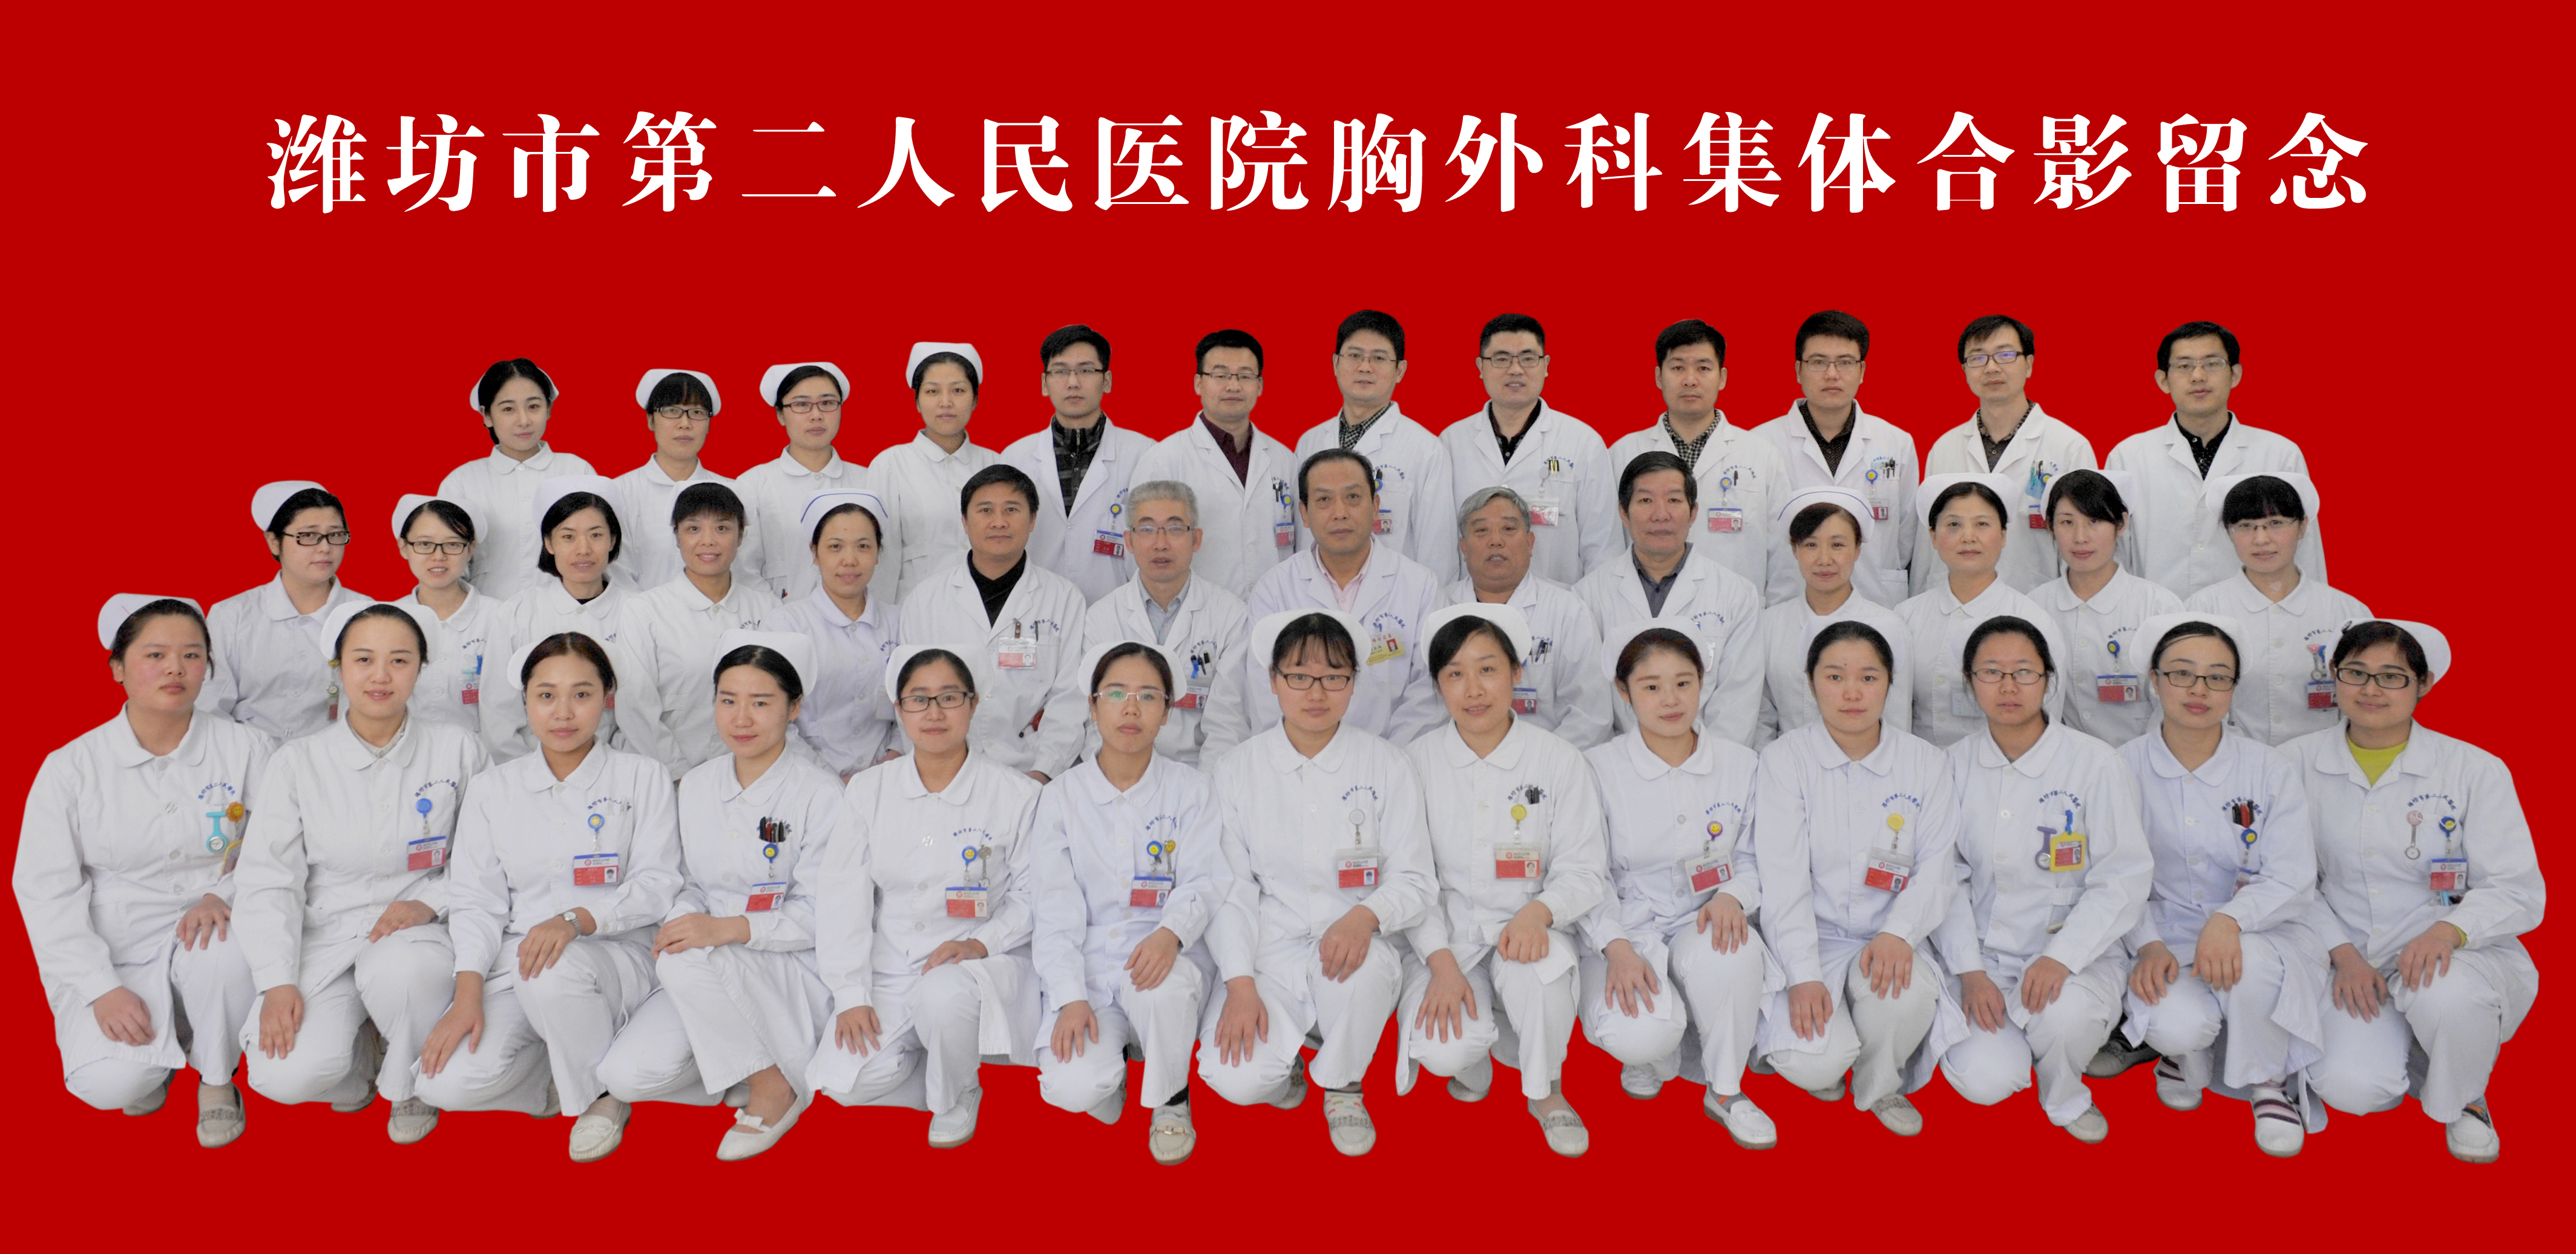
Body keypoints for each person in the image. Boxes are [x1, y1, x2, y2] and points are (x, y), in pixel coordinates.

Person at [416, 632, 683, 1162]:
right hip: (518, 963)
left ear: (607, 697)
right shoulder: (494, 789)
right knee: (441, 1085)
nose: (563, 712)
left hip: (613, 955)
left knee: (551, 969)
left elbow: (658, 883)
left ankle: (601, 1098)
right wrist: (466, 996)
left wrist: (578, 918)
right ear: (525, 701)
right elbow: (476, 900)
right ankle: (560, 1067)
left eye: (582, 694)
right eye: (546, 695)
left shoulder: (643, 777)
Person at [17, 596, 272, 1146]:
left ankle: (216, 1077)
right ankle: (162, 1046)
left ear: (208, 667)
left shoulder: (249, 748)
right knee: (110, 1084)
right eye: (155, 655)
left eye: (192, 655)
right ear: (118, 668)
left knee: (225, 952)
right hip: (118, 943)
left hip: (214, 922)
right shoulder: (71, 767)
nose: (176, 669)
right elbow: (45, 891)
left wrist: (224, 892)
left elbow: (279, 846)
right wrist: (100, 988)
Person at [234, 600, 485, 1144]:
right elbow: (268, 880)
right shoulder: (298, 762)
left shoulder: (458, 750)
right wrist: (277, 981)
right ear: (339, 667)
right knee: (284, 1074)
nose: (381, 676)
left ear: (421, 667)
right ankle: (359, 1056)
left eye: (399, 660)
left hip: (414, 935)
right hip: (324, 936)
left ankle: (409, 1080)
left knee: (406, 971)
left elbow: (485, 858)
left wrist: (433, 901)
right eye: (364, 660)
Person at [2293, 620, 2542, 1164]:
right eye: (2355, 673)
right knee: (2354, 1089)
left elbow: (2516, 887)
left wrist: (2448, 931)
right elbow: (2289, 881)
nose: (2370, 690)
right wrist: (2343, 955)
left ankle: (2465, 1098)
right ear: (2334, 676)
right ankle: (2428, 1049)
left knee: (2448, 998)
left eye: (2392, 676)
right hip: (2349, 954)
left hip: (2449, 952)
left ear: (2424, 684)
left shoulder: (2474, 770)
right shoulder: (2293, 764)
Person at [594, 631, 841, 1161]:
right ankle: (744, 1064)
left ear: (794, 707)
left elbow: (825, 912)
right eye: (728, 701)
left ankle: (774, 1085)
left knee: (682, 963)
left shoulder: (822, 793)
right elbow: (688, 882)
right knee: (624, 1076)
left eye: (761, 703)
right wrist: (686, 921)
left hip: (788, 962)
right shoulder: (698, 786)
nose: (741, 719)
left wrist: (728, 930)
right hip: (707, 961)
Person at [1197, 611, 1434, 1156]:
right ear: (1273, 680)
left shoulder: (1387, 765)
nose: (1317, 693)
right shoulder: (1236, 770)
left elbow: (1416, 879)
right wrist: (1239, 985)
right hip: (1270, 951)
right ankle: (1288, 1065)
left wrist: (1365, 916)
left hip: (1353, 946)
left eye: (1334, 677)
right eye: (1300, 676)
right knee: (1237, 1079)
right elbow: (1230, 890)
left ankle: (1343, 1085)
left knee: (1366, 973)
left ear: (1354, 682)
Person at [809, 646, 1044, 1149]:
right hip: (892, 965)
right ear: (900, 709)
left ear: (973, 704)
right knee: (843, 1086)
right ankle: (945, 1062)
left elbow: (1032, 896)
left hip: (978, 960)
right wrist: (851, 995)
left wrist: (981, 943)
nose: (934, 713)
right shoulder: (868, 790)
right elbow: (841, 897)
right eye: (919, 699)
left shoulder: (1016, 795)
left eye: (949, 697)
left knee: (944, 996)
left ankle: (958, 1092)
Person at [1396, 604, 1607, 1157]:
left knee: (1544, 979)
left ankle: (1546, 1092)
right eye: (1455, 674)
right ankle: (1474, 1055)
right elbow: (1409, 877)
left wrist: (1541, 912)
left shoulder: (1559, 760)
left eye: (1488, 669)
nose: (1473, 690)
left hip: (1528, 925)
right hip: (1448, 936)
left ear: (1516, 672)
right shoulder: (1414, 763)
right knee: (1445, 1049)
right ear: (1438, 685)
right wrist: (1440, 962)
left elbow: (1585, 868)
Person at [2115, 613, 2328, 1157]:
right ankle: (2180, 1056)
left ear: (2233, 688)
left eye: (2217, 677)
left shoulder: (2268, 768)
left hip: (2261, 929)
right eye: (2182, 674)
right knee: (2178, 1026)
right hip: (2162, 934)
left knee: (2251, 962)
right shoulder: (2119, 768)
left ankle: (2268, 1084)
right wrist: (2147, 944)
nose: (2199, 690)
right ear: (2155, 680)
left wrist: (2231, 918)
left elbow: (2293, 874)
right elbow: (2113, 875)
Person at [1931, 616, 2150, 1143]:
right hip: (1985, 958)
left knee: (2066, 1017)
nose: (2008, 686)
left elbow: (2122, 876)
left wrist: (2062, 957)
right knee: (1987, 1081)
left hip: (2074, 955)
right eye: (1991, 672)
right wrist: (1970, 971)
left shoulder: (2095, 763)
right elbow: (1944, 879)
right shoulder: (1950, 766)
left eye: (2024, 672)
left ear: (2049, 679)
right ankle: (2023, 1045)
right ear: (1970, 682)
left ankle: (2065, 1092)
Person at [1755, 620, 1964, 1137]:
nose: (1852, 693)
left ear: (1890, 684)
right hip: (1815, 934)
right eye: (1835, 677)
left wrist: (1899, 933)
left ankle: (1880, 1084)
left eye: (1869, 678)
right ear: (1811, 684)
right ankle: (1834, 1046)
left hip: (1889, 933)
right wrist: (1803, 974)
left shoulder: (1926, 763)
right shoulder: (1784, 760)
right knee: (1813, 1064)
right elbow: (1783, 877)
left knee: (1905, 997)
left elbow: (1937, 866)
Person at [1030, 640, 1232, 1164]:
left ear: (1167, 712)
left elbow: (1205, 877)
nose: (1131, 708)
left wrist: (1171, 933)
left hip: (1165, 954)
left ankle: (1171, 1098)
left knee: (1165, 991)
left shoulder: (1192, 790)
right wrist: (1070, 996)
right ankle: (1113, 1067)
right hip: (1092, 966)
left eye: (1148, 696)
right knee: (1072, 1087)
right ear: (1093, 706)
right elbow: (1054, 907)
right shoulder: (1061, 797)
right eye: (1116, 693)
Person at [1579, 625, 1779, 1149]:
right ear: (1623, 692)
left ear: (1702, 684)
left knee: (1734, 951)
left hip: (1705, 914)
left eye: (1683, 683)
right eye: (1651, 686)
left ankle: (1726, 1090)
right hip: (1628, 924)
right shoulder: (1597, 769)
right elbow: (1585, 872)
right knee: (1639, 1035)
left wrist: (1734, 894)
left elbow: (1758, 857)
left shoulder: (1741, 764)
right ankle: (1650, 1050)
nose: (1670, 700)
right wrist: (1616, 946)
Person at [1210, 449, 1445, 762]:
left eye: (1353, 497)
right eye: (1324, 500)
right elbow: (1264, 691)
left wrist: (1384, 761)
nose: (1340, 513)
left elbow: (1429, 692)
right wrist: (1308, 758)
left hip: (1394, 762)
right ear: (1304, 513)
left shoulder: (1420, 587)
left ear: (1375, 506)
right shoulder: (1275, 589)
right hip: (1297, 763)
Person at [896, 464, 1089, 783]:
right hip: (943, 771)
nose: (999, 522)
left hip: (1031, 770)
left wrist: (1043, 773)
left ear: (1033, 520)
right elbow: (910, 697)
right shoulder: (925, 600)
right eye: (985, 510)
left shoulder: (1064, 599)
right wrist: (933, 770)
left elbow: (1069, 699)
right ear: (965, 522)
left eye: (1011, 510)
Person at [2105, 322, 2326, 597]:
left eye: (2212, 364)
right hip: (2157, 615)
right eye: (2184, 366)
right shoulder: (2128, 457)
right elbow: (2113, 552)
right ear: (2163, 380)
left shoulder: (2280, 454)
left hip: (2253, 615)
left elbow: (2306, 551)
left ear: (2235, 374)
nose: (2198, 376)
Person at [1571, 452, 1764, 747]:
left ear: (1693, 512)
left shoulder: (1737, 595)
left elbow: (1737, 707)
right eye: (1646, 500)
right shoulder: (1587, 596)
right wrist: (1622, 762)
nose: (1660, 514)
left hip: (1711, 761)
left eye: (1674, 500)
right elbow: (1590, 707)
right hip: (1617, 764)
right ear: (1624, 513)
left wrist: (1700, 763)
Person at [1605, 320, 1789, 602]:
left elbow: (1784, 556)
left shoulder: (1762, 455)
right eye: (1678, 368)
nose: (1690, 380)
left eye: (1703, 368)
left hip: (1738, 615)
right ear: (1658, 377)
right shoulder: (1623, 453)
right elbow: (1609, 545)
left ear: (1722, 377)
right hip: (1643, 612)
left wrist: (1774, 618)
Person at [2183, 473, 2370, 746]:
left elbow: (2366, 699)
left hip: (2324, 760)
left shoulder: (2347, 611)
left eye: (2276, 523)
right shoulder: (2202, 609)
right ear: (2229, 533)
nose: (2261, 539)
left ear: (2303, 526)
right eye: (2246, 526)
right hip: (2231, 759)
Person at [1920, 315, 2098, 596]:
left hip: (2039, 600)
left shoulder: (2069, 447)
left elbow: (2087, 541)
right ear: (1965, 370)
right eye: (1978, 358)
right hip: (1956, 601)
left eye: (2005, 355)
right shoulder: (1944, 448)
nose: (1991, 368)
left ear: (2029, 364)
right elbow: (1925, 544)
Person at [1439, 314, 1617, 588]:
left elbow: (1603, 547)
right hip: (1471, 605)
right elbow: (1440, 541)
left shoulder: (1584, 443)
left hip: (1561, 606)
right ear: (1480, 366)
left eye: (1528, 358)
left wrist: (1589, 609)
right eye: (1501, 359)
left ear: (1546, 365)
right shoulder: (1450, 443)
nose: (1515, 370)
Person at [1753, 310, 1918, 607]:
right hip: (1789, 601)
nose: (1832, 374)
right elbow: (1756, 538)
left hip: (1876, 601)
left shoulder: (1897, 443)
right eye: (1819, 362)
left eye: (1845, 362)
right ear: (1798, 370)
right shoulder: (1761, 444)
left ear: (1862, 370)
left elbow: (1907, 539)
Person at [1080, 481, 1249, 769]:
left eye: (1175, 528)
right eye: (1147, 529)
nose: (1161, 543)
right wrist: (1120, 782)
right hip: (1120, 775)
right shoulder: (1101, 618)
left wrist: (1203, 788)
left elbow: (1228, 725)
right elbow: (1094, 721)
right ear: (1129, 541)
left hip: (1200, 774)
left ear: (1196, 539)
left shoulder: (1230, 615)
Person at [617, 482, 778, 781]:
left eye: (722, 528)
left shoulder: (767, 609)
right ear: (676, 536)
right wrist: (679, 776)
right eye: (693, 529)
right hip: (666, 778)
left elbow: (779, 701)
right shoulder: (644, 611)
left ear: (741, 536)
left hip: (750, 776)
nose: (708, 541)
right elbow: (636, 708)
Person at [1896, 474, 2070, 747]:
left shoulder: (2034, 621)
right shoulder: (1906, 618)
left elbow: (2045, 724)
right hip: (1920, 766)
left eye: (1982, 524)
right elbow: (1894, 718)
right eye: (1954, 525)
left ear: (2003, 536)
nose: (1968, 537)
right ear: (1933, 536)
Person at [1131, 330, 1299, 600]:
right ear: (1198, 383)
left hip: (1275, 609)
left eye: (1245, 376)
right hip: (1197, 612)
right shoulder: (1164, 460)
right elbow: (1141, 551)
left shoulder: (1284, 459)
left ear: (1260, 385)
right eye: (1220, 375)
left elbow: (1301, 546)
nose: (1233, 386)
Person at [203, 481, 373, 742]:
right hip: (247, 759)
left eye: (336, 535)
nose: (325, 547)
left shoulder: (367, 614)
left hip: (334, 761)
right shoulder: (231, 615)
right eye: (309, 536)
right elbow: (210, 707)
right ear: (274, 542)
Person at [483, 477, 637, 761]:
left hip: (618, 767)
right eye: (568, 537)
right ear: (548, 543)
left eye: (596, 535)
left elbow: (641, 710)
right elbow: (498, 714)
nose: (583, 549)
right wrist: (532, 771)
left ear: (613, 540)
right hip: (531, 766)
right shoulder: (517, 613)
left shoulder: (639, 611)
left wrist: (615, 768)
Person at [1445, 487, 1610, 749]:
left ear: (1530, 543)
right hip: (1458, 760)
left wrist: (1539, 763)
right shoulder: (1440, 607)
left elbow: (1590, 714)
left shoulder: (1568, 610)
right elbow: (1429, 707)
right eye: (1482, 530)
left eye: (1509, 529)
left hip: (1550, 761)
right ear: (1463, 547)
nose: (1496, 540)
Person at [1001, 324, 1157, 603]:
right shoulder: (1015, 458)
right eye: (1060, 371)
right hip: (1034, 607)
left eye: (1086, 370)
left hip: (1120, 610)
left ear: (1107, 381)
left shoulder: (1145, 455)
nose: (1073, 382)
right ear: (1044, 383)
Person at [1292, 310, 1456, 573]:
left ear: (1400, 370)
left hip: (1396, 595)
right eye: (1354, 356)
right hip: (1316, 591)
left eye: (1379, 358)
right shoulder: (1309, 443)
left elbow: (1438, 553)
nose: (1365, 367)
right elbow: (1303, 538)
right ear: (1335, 363)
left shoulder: (1426, 450)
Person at [2034, 470, 2182, 749]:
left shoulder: (2159, 607)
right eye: (2067, 522)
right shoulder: (2035, 608)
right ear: (2051, 528)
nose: (2080, 537)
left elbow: (2176, 705)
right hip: (2063, 761)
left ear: (2121, 524)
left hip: (2146, 760)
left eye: (2094, 520)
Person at [763, 490, 902, 780]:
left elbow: (915, 705)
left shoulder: (900, 623)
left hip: (888, 780)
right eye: (835, 547)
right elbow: (774, 717)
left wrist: (888, 766)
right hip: (804, 782)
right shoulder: (785, 626)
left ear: (878, 552)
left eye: (863, 546)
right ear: (815, 553)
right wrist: (827, 781)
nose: (850, 560)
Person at [1756, 488, 1912, 743]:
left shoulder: (1888, 627)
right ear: (1795, 550)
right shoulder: (1769, 626)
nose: (1824, 559)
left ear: (1858, 549)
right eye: (1811, 545)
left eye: (1837, 545)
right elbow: (1762, 718)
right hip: (1787, 763)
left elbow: (1897, 724)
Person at [441, 359, 599, 602]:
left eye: (533, 406)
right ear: (487, 415)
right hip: (488, 615)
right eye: (508, 409)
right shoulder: (462, 482)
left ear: (549, 409)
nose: (524, 420)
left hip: (566, 613)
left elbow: (601, 551)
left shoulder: (577, 471)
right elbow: (448, 563)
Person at [611, 369, 760, 591]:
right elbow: (617, 576)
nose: (685, 423)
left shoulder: (733, 491)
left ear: (709, 423)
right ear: (651, 420)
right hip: (642, 612)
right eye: (672, 411)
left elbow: (747, 572)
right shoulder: (620, 493)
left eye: (697, 412)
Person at [873, 343, 999, 603]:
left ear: (975, 400)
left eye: (958, 390)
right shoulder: (891, 464)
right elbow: (882, 556)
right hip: (916, 609)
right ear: (917, 402)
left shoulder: (996, 464)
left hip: (988, 604)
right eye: (932, 391)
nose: (946, 402)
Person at [735, 362, 862, 600]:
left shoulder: (868, 480)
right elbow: (744, 569)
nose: (816, 415)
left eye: (827, 403)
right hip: (778, 617)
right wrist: (778, 616)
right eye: (801, 405)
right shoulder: (752, 485)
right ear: (780, 415)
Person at [390, 494, 501, 741]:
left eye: (452, 544)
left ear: (470, 549)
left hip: (483, 758)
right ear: (403, 547)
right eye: (424, 544)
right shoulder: (385, 621)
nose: (438, 556)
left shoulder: (501, 619)